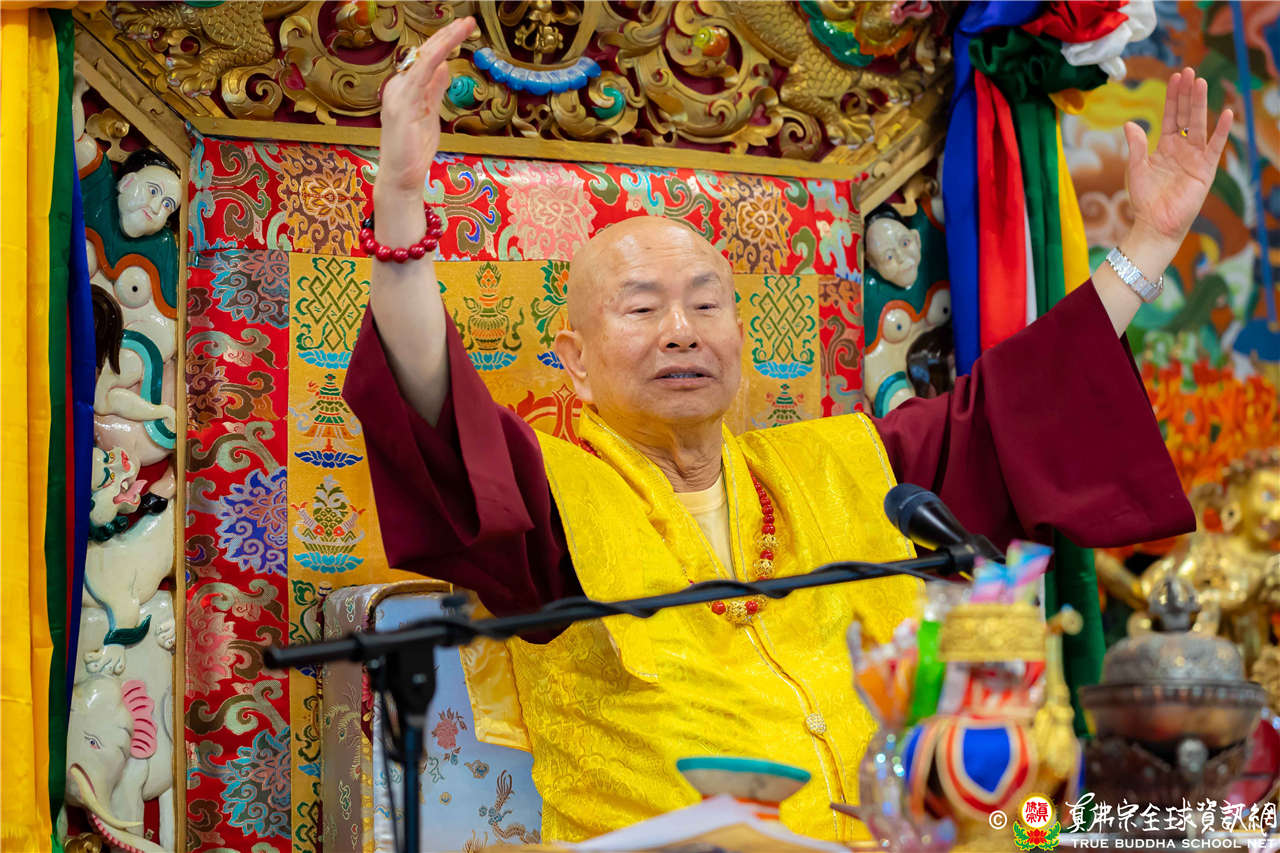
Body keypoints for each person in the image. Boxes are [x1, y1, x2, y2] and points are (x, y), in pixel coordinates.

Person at [344, 17, 1232, 842]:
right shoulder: (551, 498)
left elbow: (1021, 404)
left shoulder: (851, 465)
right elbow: (433, 411)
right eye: (642, 308)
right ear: (573, 361)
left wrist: (1148, 246)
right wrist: (401, 199)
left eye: (706, 304)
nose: (682, 330)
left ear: (742, 337)